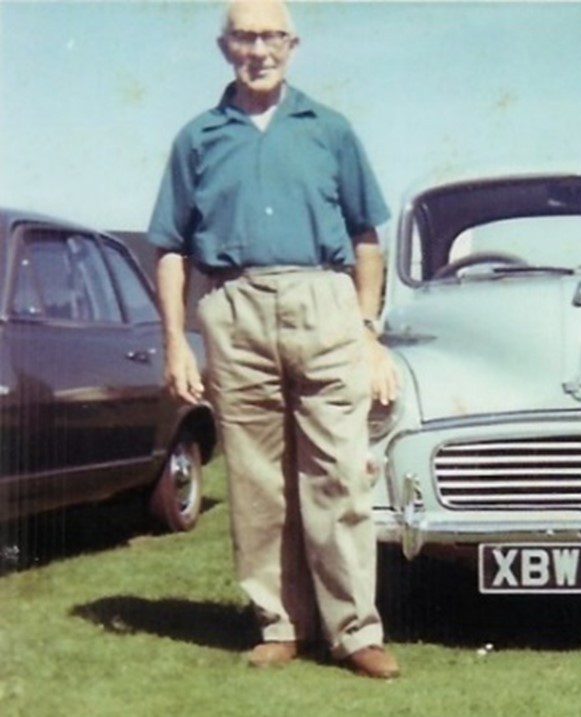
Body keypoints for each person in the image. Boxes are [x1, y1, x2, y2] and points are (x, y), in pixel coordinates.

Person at [148, 0, 401, 679]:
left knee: (339, 471)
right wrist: (177, 341)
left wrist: (368, 328)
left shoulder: (331, 130)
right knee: (259, 479)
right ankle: (280, 622)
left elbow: (366, 238)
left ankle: (353, 629)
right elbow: (170, 248)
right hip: (233, 306)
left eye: (270, 37)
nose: (258, 50)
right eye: (244, 37)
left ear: (293, 44)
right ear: (224, 45)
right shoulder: (198, 138)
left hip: (323, 300)